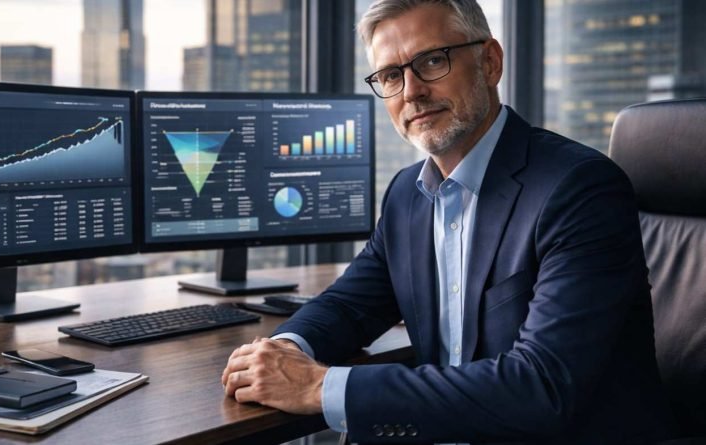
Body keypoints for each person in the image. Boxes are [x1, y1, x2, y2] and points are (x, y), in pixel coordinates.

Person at [221, 0, 675, 443]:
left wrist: (316, 387)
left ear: (490, 63)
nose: (411, 91)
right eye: (391, 76)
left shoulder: (577, 188)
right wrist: (285, 351)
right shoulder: (407, 194)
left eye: (432, 61)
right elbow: (349, 305)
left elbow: (542, 387)